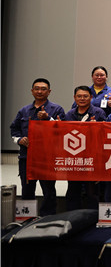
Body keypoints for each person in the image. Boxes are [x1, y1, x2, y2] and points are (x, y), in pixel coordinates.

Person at [10, 78, 65, 216]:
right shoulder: (24, 110)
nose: (40, 91)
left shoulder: (56, 109)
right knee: (27, 188)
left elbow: (63, 130)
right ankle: (27, 218)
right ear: (32, 91)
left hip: (47, 158)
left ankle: (48, 217)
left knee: (49, 190)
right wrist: (19, 140)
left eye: (43, 89)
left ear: (49, 91)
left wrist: (48, 119)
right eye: (37, 88)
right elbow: (14, 129)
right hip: (27, 157)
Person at [64, 85, 107, 211]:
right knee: (73, 190)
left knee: (92, 192)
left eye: (85, 96)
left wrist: (96, 128)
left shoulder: (98, 113)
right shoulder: (69, 114)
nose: (82, 99)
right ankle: (72, 217)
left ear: (91, 97)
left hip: (92, 158)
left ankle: (92, 217)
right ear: (74, 98)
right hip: (74, 158)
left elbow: (105, 134)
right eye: (79, 96)